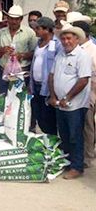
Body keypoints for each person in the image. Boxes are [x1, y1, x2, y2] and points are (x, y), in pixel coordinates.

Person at [48, 24, 92, 179]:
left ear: (77, 39)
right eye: (63, 38)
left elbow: (83, 80)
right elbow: (52, 76)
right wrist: (53, 96)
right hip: (60, 104)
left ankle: (77, 167)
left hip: (75, 104)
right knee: (64, 135)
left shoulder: (82, 56)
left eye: (69, 38)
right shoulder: (60, 54)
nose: (66, 41)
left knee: (75, 136)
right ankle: (67, 162)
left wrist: (67, 98)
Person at [0, 5, 37, 94]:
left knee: (20, 98)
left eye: (16, 19)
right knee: (4, 97)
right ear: (7, 18)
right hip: (4, 71)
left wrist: (22, 55)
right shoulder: (1, 33)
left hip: (22, 71)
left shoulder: (29, 33)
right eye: (11, 18)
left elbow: (34, 53)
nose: (14, 21)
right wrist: (3, 50)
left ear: (21, 19)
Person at [29, 17, 61, 135]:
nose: (35, 31)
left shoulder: (57, 45)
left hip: (47, 87)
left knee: (48, 117)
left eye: (38, 28)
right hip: (36, 85)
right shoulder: (39, 43)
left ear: (47, 30)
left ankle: (52, 142)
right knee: (39, 116)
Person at [72, 21, 96, 167]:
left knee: (88, 125)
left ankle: (87, 156)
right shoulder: (75, 49)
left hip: (90, 92)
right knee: (78, 125)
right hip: (76, 92)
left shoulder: (93, 50)